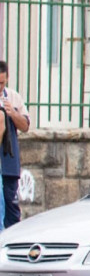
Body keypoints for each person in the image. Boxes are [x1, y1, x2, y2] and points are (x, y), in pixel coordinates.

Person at [1, 60, 32, 228]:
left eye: (1, 83)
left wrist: (12, 113)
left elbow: (26, 126)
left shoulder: (13, 97)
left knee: (11, 208)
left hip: (8, 164)